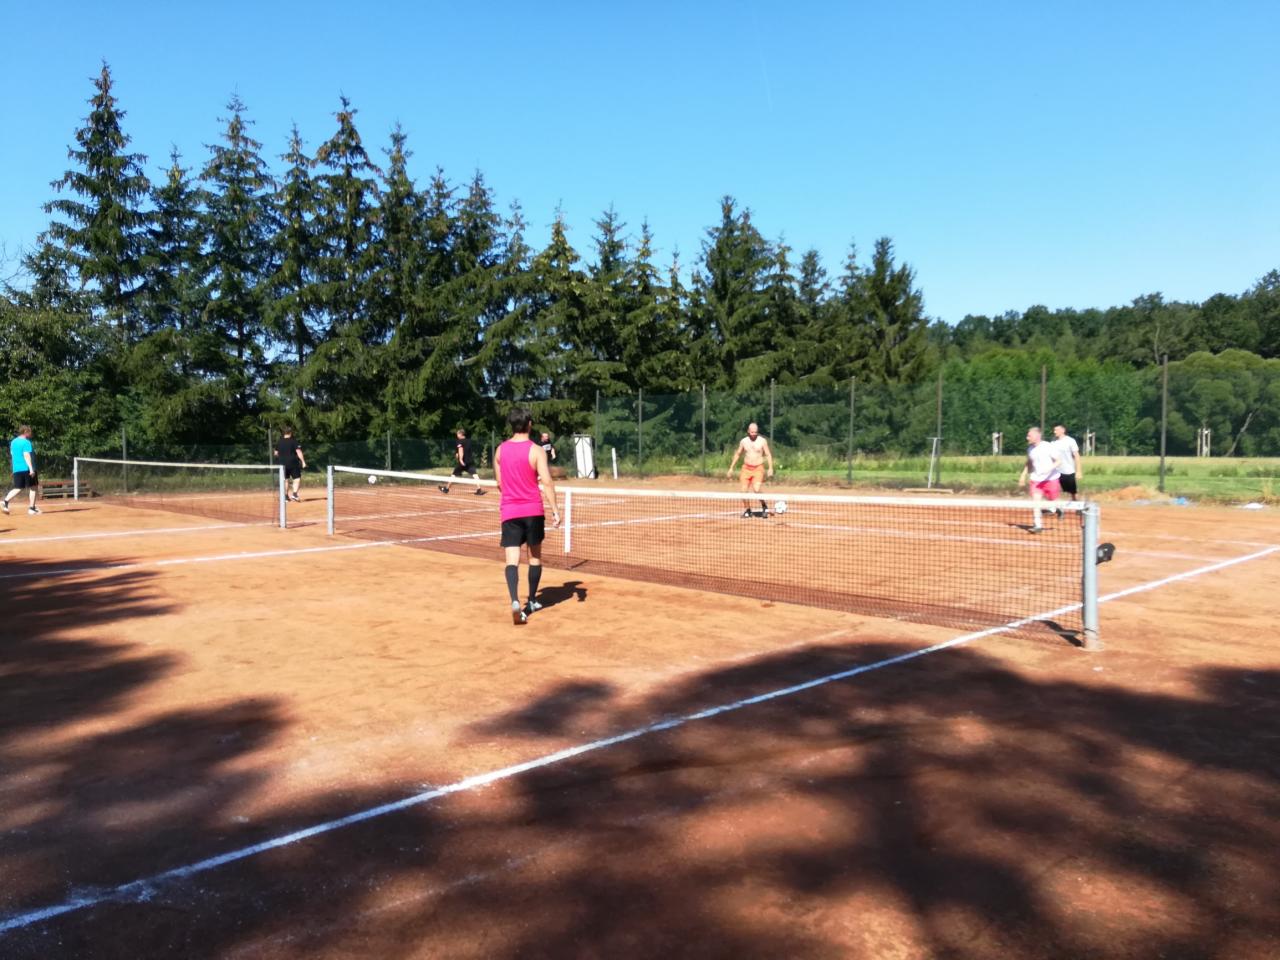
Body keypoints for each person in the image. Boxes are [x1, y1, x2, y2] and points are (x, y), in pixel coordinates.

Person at [494, 408, 561, 625]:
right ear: (529, 424)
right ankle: (531, 600)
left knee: (512, 560)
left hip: (510, 512)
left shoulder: (500, 450)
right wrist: (555, 510)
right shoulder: (537, 450)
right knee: (534, 557)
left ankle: (515, 601)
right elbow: (547, 482)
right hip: (533, 511)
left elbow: (500, 483)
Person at [1018, 426, 1064, 533]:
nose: (1027, 438)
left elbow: (1059, 461)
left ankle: (1057, 508)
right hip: (1036, 479)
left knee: (1052, 500)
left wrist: (1049, 469)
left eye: (1029, 436)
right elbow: (1029, 463)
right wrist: (1023, 475)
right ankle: (1038, 526)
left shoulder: (1048, 446)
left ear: (1037, 436)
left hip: (1051, 478)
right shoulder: (1030, 449)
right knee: (1036, 502)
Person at [726, 422, 774, 518]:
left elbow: (768, 454)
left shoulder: (762, 441)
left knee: (756, 489)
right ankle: (748, 510)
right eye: (752, 432)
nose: (754, 434)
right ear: (748, 431)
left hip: (758, 468)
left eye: (755, 432)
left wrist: (770, 468)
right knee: (743, 491)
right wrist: (731, 468)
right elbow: (738, 454)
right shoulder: (743, 441)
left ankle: (764, 506)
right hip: (746, 469)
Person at [3, 425, 40, 516]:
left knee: (18, 487)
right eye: (29, 432)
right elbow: (26, 455)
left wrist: (13, 468)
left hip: (17, 468)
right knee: (33, 487)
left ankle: (5, 501)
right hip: (26, 468)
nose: (31, 433)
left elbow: (13, 455)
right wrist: (31, 469)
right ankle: (32, 508)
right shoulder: (26, 442)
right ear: (25, 432)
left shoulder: (13, 442)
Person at [439, 428, 484, 495]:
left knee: (454, 475)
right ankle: (479, 489)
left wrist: (460, 459)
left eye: (457, 434)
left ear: (460, 434)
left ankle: (446, 489)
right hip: (470, 461)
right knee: (474, 474)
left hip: (463, 462)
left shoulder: (459, 441)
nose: (457, 435)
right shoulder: (469, 441)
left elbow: (461, 450)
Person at [273, 426, 307, 503]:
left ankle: (285, 497)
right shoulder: (293, 441)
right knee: (297, 478)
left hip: (282, 464)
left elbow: (275, 453)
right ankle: (294, 494)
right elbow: (298, 452)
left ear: (284, 433)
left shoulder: (279, 442)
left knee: (285, 479)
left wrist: (281, 457)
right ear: (290, 433)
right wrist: (303, 462)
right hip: (293, 462)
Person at [1051, 423, 1082, 502]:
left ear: (1063, 430)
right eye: (1054, 430)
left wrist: (1078, 471)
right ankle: (1054, 506)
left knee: (1072, 492)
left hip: (1068, 471)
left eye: (1056, 430)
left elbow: (1076, 456)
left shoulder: (1070, 441)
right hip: (1056, 471)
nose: (1054, 432)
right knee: (1053, 490)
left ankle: (1077, 505)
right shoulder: (1053, 442)